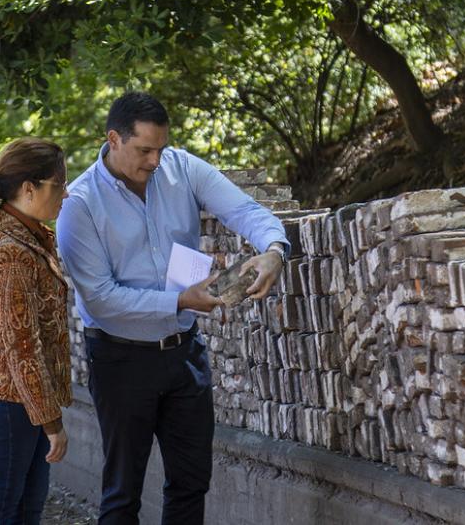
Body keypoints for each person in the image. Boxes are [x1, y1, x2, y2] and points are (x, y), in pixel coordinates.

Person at [56, 92, 290, 524]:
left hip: (185, 353)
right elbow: (101, 299)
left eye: (160, 149)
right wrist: (181, 299)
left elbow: (244, 210)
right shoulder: (79, 203)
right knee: (122, 493)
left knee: (191, 483)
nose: (154, 161)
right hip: (120, 357)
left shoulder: (182, 168)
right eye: (144, 150)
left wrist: (274, 249)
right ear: (113, 139)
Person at [0, 137, 72, 525]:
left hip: (20, 396)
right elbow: (21, 344)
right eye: (59, 185)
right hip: (6, 396)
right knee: (0, 510)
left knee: (25, 509)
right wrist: (51, 422)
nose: (66, 194)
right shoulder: (12, 251)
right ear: (29, 189)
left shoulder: (32, 238)